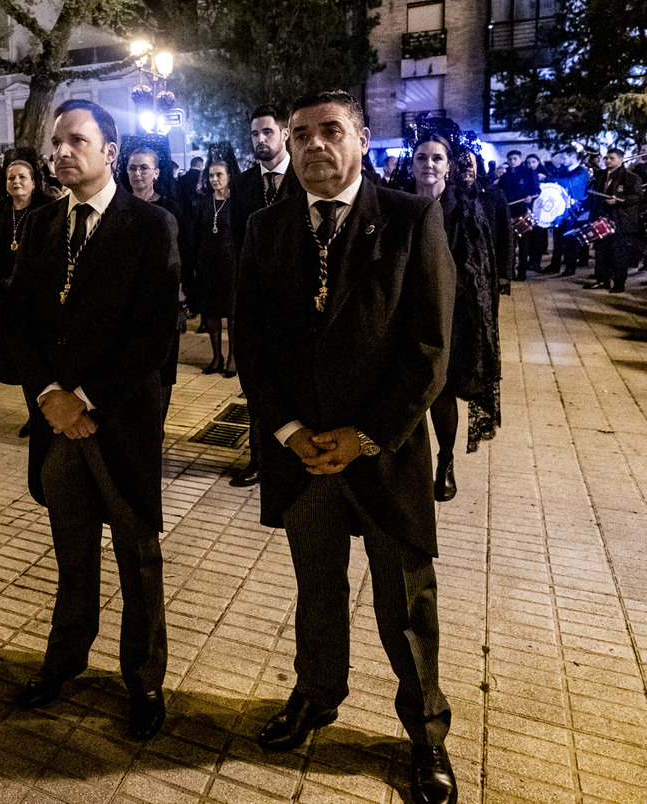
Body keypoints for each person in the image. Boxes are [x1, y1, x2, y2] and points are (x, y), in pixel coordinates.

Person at [235, 90, 457, 804]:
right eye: (301, 135)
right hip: (304, 456)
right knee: (317, 590)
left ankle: (425, 735)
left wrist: (363, 436)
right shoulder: (266, 228)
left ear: (361, 138)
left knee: (406, 605)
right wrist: (291, 432)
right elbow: (253, 345)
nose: (314, 145)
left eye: (331, 131)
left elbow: (430, 349)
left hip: (383, 453)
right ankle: (317, 694)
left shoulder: (410, 217)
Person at [5, 99, 180, 740]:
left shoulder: (151, 225)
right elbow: (17, 319)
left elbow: (154, 333)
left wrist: (86, 399)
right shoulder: (44, 225)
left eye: (76, 140)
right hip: (57, 427)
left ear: (110, 150)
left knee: (138, 560)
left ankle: (144, 681)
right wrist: (51, 395)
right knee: (71, 554)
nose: (60, 152)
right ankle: (64, 661)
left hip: (121, 424)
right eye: (56, 142)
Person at [411, 130, 511, 502]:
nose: (429, 165)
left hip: (449, 317)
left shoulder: (463, 209)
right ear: (413, 164)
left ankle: (446, 462)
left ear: (449, 166)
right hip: (402, 314)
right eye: (422, 158)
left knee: (442, 391)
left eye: (437, 158)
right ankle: (406, 465)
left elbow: (479, 269)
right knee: (404, 391)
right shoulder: (396, 202)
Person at [229, 105, 304, 488]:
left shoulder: (302, 176)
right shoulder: (241, 186)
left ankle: (296, 450)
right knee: (256, 382)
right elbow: (233, 241)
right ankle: (258, 458)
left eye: (267, 133)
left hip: (299, 296)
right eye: (255, 134)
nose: (261, 140)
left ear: (284, 134)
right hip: (256, 299)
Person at [0, 151, 50, 438]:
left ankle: (49, 412)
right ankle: (34, 415)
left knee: (44, 360)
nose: (16, 182)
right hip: (9, 301)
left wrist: (24, 279)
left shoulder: (49, 209)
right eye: (11, 178)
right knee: (23, 362)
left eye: (22, 177)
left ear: (33, 181)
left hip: (40, 300)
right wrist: (1, 280)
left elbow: (53, 251)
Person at [121, 139, 185, 428]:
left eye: (144, 168)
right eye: (132, 168)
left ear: (157, 173)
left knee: (162, 370)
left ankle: (156, 428)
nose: (137, 174)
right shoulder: (117, 207)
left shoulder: (171, 210)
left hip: (162, 305)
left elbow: (185, 257)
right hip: (125, 305)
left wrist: (182, 301)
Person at [189, 145, 243, 378]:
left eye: (219, 175)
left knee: (231, 313)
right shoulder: (202, 202)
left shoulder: (237, 203)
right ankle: (216, 357)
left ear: (229, 176)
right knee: (210, 312)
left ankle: (232, 358)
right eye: (211, 175)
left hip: (231, 263)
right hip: (207, 263)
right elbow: (196, 233)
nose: (214, 179)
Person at [584, 148, 642, 293]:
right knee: (601, 252)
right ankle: (602, 280)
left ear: (621, 160)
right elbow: (592, 195)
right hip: (601, 219)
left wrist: (618, 200)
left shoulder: (631, 178)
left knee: (618, 253)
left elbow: (637, 197)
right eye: (606, 158)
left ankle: (619, 283)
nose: (608, 161)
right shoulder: (599, 175)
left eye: (612, 158)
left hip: (620, 220)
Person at [546, 146, 589, 276]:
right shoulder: (563, 171)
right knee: (558, 238)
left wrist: (550, 179)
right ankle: (555, 264)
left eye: (564, 158)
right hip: (562, 211)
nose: (562, 161)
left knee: (571, 239)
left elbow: (569, 183)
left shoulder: (581, 172)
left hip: (575, 212)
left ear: (572, 157)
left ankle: (570, 267)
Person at [498, 150, 540, 279]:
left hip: (522, 211)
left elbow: (536, 190)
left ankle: (522, 272)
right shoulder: (505, 176)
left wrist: (530, 198)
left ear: (520, 159)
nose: (512, 161)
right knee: (510, 245)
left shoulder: (529, 173)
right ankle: (510, 271)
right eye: (510, 159)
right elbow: (500, 192)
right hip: (508, 212)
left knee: (524, 245)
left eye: (514, 158)